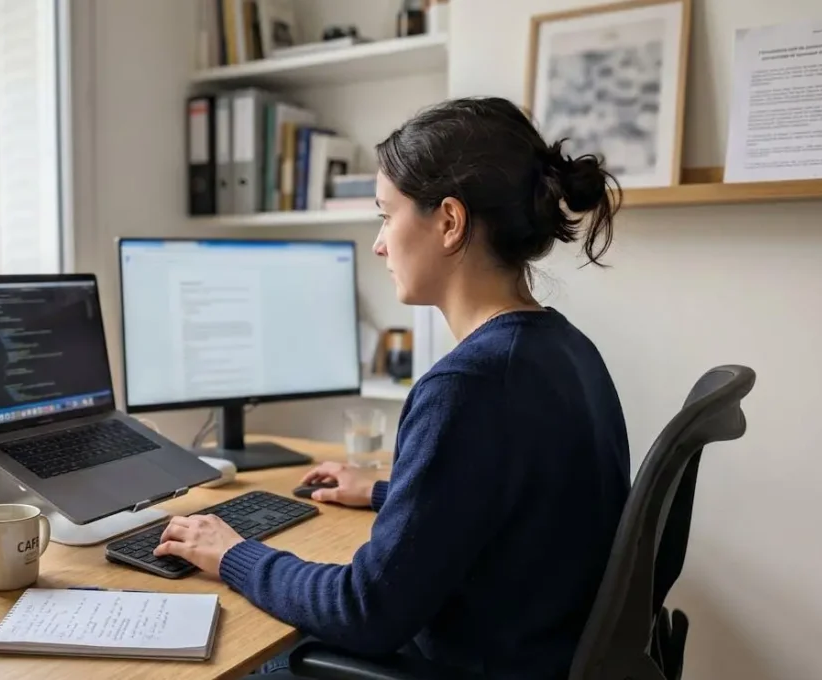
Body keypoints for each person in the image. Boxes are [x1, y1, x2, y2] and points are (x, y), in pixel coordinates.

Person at [153, 97, 632, 679]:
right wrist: (388, 493)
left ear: (449, 222)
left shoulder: (468, 384)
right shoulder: (563, 348)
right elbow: (511, 506)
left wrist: (232, 553)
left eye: (386, 214)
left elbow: (365, 612)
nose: (379, 243)